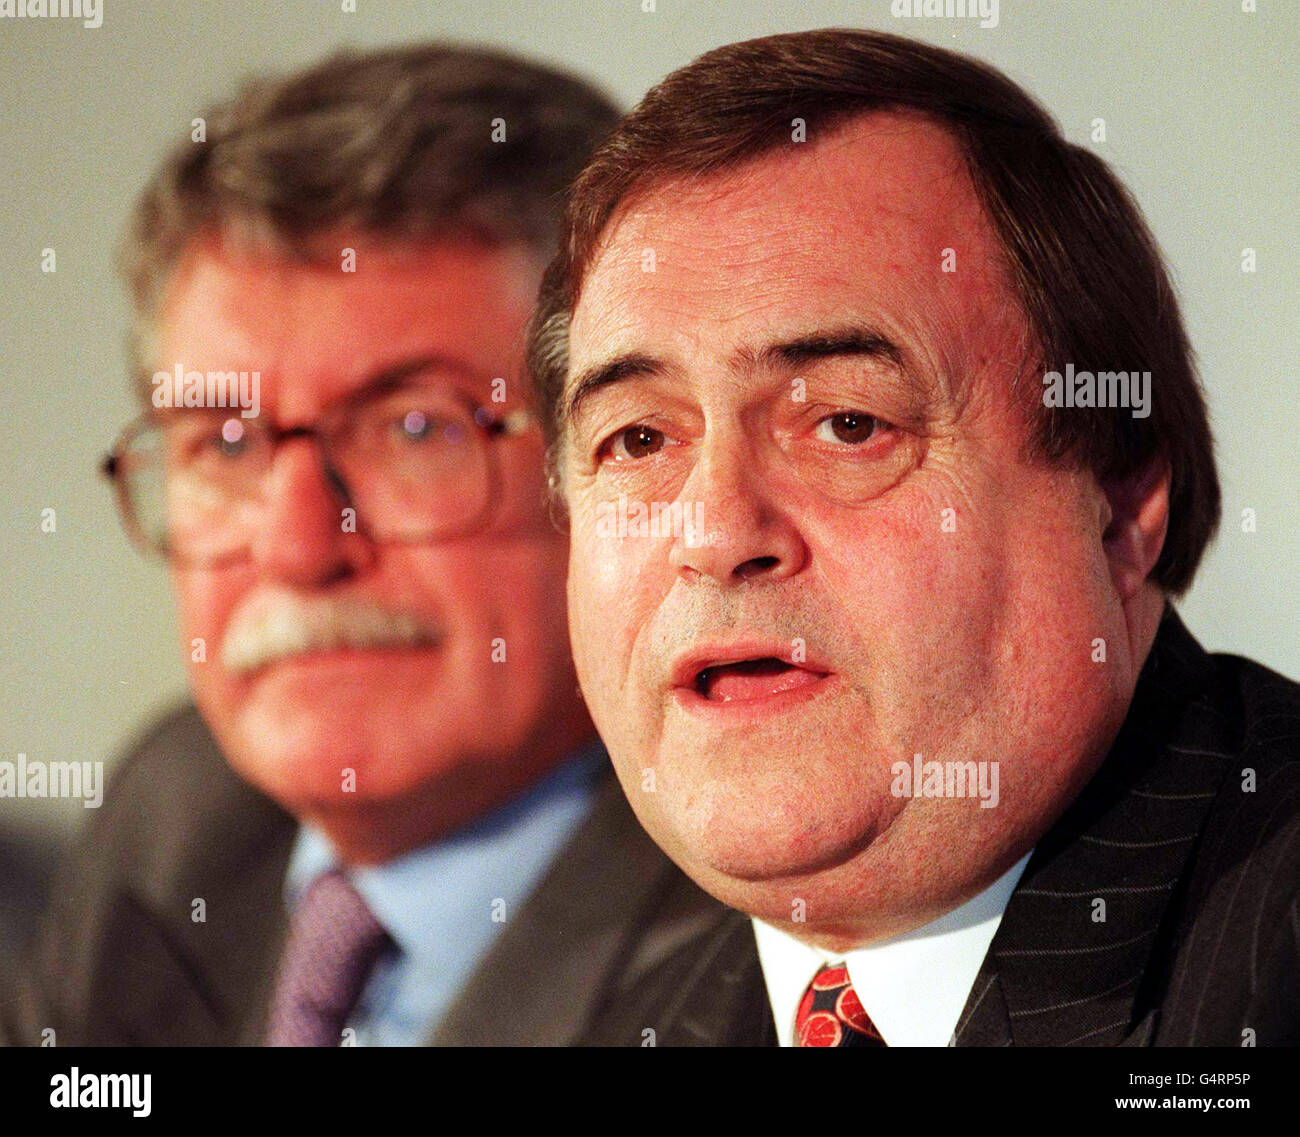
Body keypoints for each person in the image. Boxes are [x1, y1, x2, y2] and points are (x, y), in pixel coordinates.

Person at [527, 28, 1300, 1046]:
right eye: (636, 438)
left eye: (849, 425)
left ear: (1116, 509)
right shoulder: (637, 1025)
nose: (715, 531)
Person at [2, 42, 722, 1047]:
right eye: (226, 442)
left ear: (619, 459)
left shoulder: (749, 935)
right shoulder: (180, 818)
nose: (301, 548)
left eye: (415, 428)